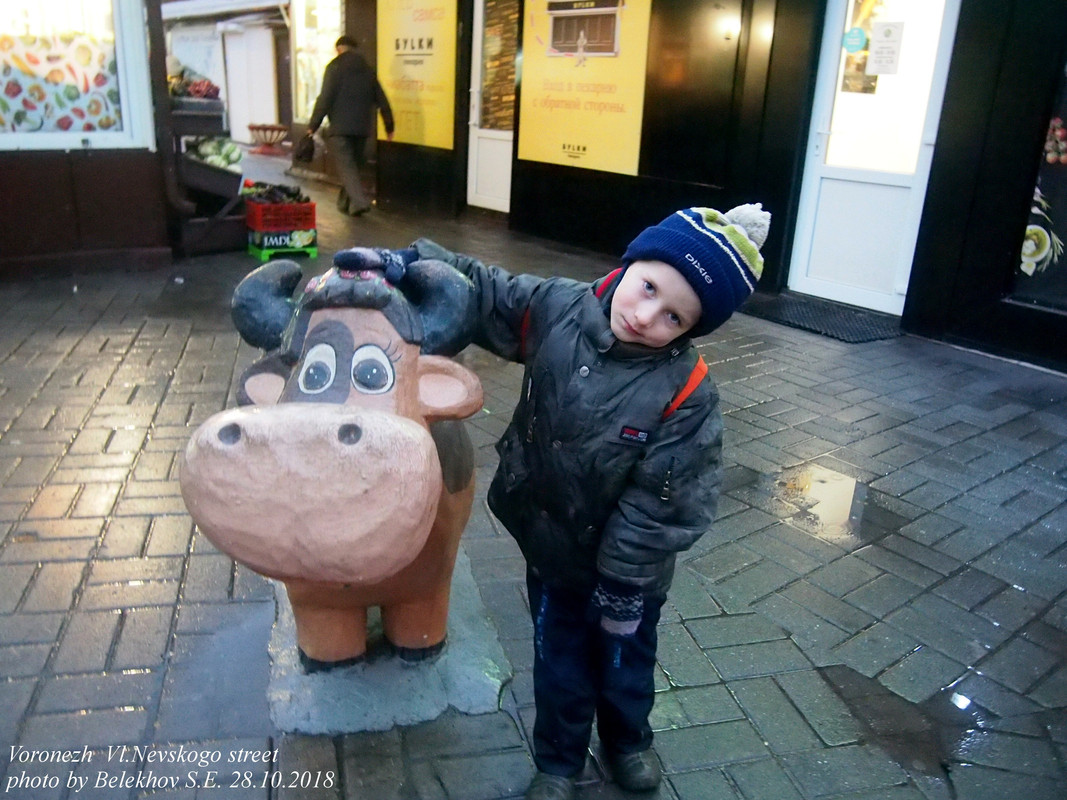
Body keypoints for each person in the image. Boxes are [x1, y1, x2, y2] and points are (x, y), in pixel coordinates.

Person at [337, 204, 770, 800]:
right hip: (552, 549)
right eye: (647, 288)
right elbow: (485, 291)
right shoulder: (559, 307)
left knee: (624, 664)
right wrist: (411, 265)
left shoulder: (687, 392)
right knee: (559, 663)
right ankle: (560, 762)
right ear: (633, 261)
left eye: (673, 316)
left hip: (630, 578)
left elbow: (668, 499)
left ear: (692, 329)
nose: (644, 316)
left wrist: (623, 581)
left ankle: (628, 741)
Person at [307, 35, 395, 216]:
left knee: (347, 168)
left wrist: (313, 125)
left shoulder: (334, 67)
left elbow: (325, 98)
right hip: (362, 129)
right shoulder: (367, 69)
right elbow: (381, 98)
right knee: (353, 167)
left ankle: (360, 202)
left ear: (339, 48)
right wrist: (389, 125)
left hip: (340, 129)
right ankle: (347, 205)